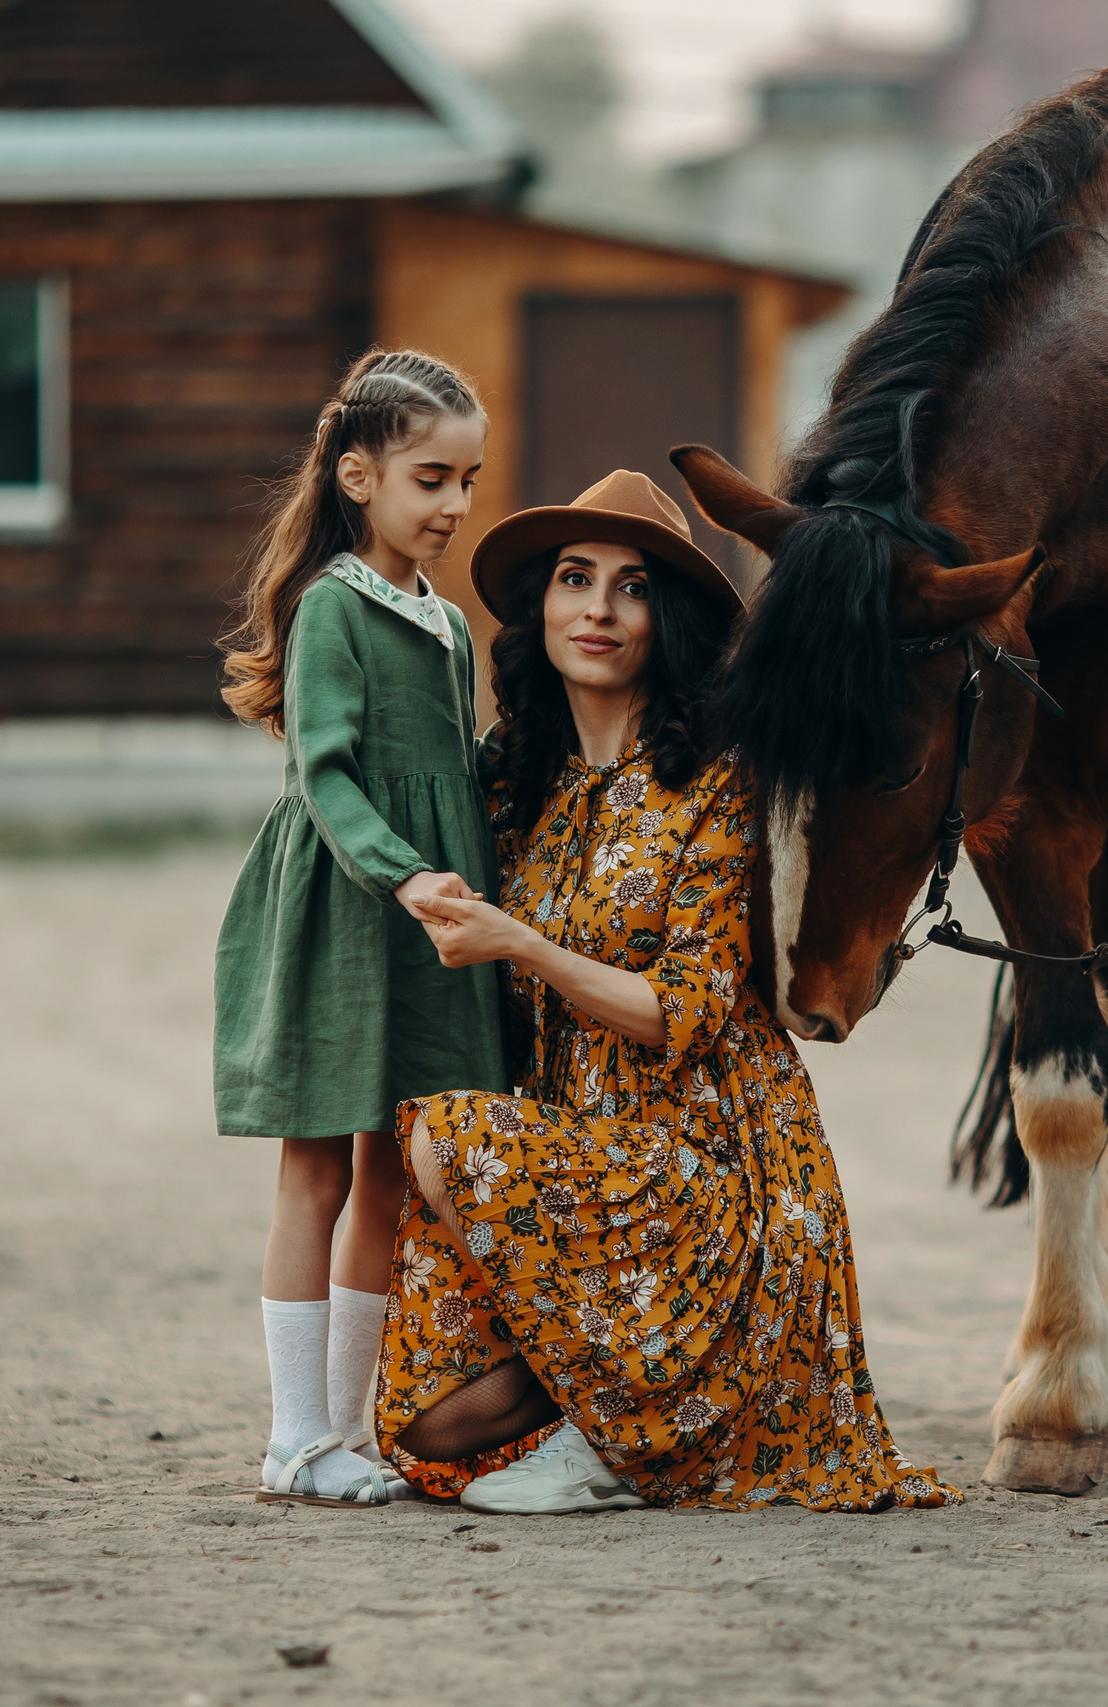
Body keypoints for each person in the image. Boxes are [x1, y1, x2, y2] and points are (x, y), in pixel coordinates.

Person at [376, 469, 956, 1515]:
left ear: (667, 618)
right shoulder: (517, 785)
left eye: (631, 587)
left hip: (710, 1167)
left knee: (439, 1139)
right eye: (572, 578)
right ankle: (634, 1427)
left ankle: (635, 1440)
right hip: (576, 1168)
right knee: (427, 1426)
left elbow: (678, 1011)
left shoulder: (721, 779)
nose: (596, 610)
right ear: (540, 608)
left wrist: (524, 945)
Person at [213, 348, 506, 1508]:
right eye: (431, 477)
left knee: (389, 1178)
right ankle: (291, 1437)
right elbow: (325, 776)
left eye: (468, 480)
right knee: (317, 1173)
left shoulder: (445, 619)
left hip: (431, 920)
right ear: (356, 476)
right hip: (349, 908)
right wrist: (403, 875)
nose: (454, 505)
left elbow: (457, 768)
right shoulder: (334, 607)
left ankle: (344, 1433)